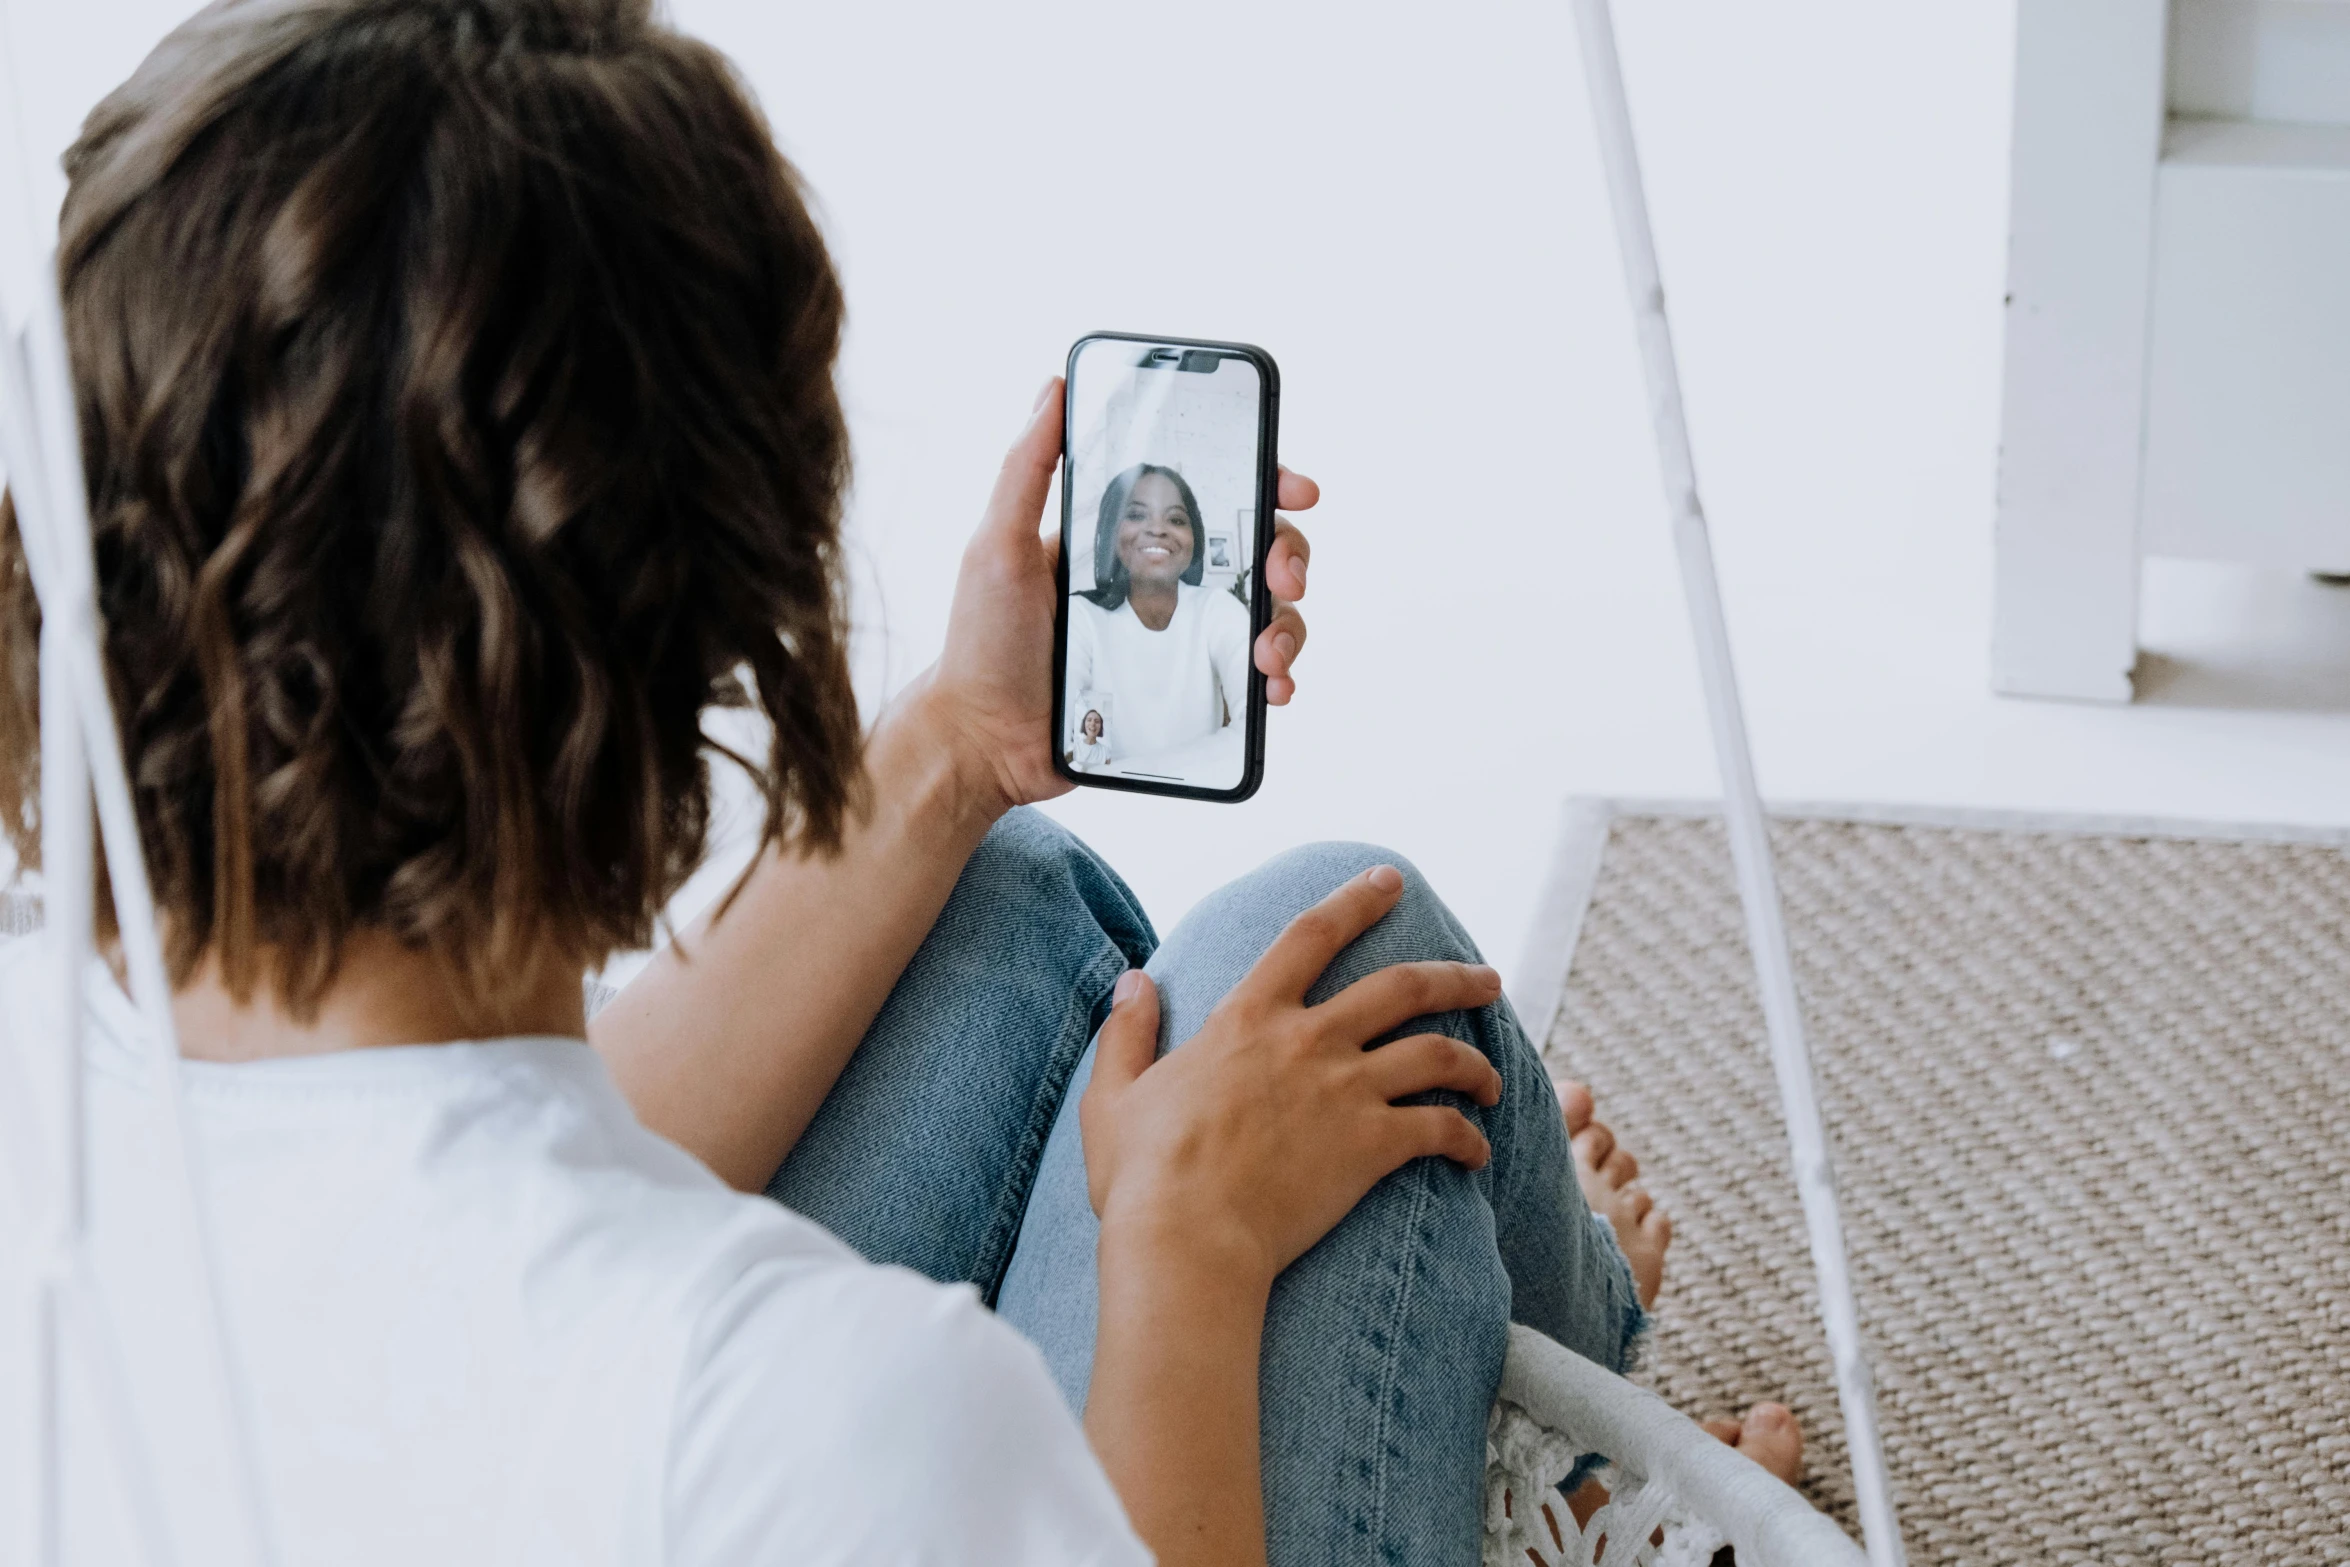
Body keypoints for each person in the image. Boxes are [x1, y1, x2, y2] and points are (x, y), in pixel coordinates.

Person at [0, 1, 1800, 1562]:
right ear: (714, 613)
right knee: (1329, 964)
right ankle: (1573, 1475)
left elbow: (477, 1185)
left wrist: (958, 739)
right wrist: (1183, 1245)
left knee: (1000, 905)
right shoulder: (826, 1416)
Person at [1066, 462, 1251, 765]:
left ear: (1195, 538)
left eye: (1176, 519)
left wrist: (1120, 772)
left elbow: (1252, 734)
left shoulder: (1218, 609)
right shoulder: (1081, 617)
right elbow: (1074, 754)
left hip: (1201, 806)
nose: (1157, 529)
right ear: (1111, 530)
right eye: (1136, 514)